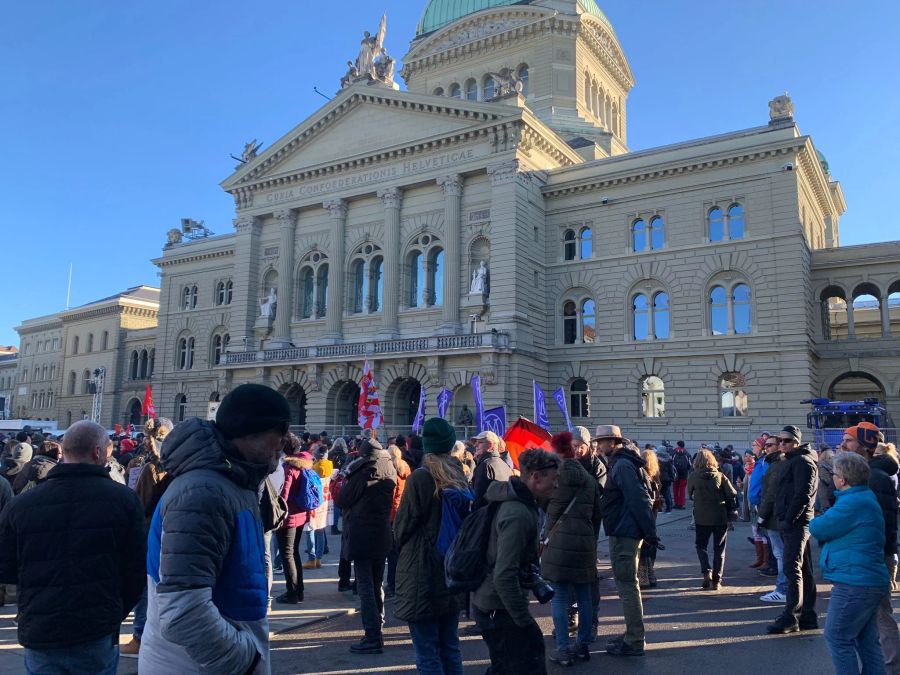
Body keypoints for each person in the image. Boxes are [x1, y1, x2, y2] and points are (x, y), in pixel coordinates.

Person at [139, 384, 290, 674]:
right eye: (280, 431)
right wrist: (248, 661)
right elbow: (184, 610)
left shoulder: (233, 482)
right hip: (195, 665)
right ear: (251, 431)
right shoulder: (204, 492)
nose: (284, 441)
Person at [0, 420, 146, 674]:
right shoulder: (123, 500)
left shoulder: (23, 504)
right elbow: (135, 570)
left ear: (63, 451)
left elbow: (6, 566)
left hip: (42, 625)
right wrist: (114, 614)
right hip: (95, 627)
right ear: (98, 452)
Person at [473, 448, 560, 675]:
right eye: (554, 479)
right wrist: (523, 619)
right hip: (499, 608)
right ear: (535, 477)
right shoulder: (518, 513)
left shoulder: (518, 502)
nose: (557, 485)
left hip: (493, 604)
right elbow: (504, 574)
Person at [394, 418, 471, 675]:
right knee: (450, 646)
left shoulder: (421, 478)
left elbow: (402, 526)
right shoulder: (459, 474)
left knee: (427, 651)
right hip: (452, 567)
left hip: (422, 570)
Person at [810, 452, 892, 675]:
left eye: (834, 474)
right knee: (866, 641)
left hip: (855, 582)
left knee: (837, 637)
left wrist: (815, 518)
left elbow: (818, 527)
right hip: (865, 579)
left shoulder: (852, 502)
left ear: (842, 479)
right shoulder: (861, 498)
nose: (833, 477)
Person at [841, 422, 900, 672]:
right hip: (869, 556)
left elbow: (881, 525)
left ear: (865, 447)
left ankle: (891, 666)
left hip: (873, 557)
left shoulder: (874, 477)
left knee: (881, 616)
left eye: (849, 440)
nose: (843, 444)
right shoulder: (868, 474)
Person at [597, 424, 657, 657]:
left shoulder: (621, 465)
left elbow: (638, 498)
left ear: (613, 442)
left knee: (627, 586)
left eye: (601, 442)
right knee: (628, 585)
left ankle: (634, 639)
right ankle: (633, 634)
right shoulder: (625, 462)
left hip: (625, 532)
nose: (599, 446)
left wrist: (649, 532)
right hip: (627, 529)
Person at [544, 432, 603, 665]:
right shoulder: (588, 478)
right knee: (584, 597)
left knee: (559, 598)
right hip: (585, 541)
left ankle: (563, 649)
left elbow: (551, 512)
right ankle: (583, 646)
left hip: (560, 543)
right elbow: (598, 512)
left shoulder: (557, 476)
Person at [335, 436, 397, 654]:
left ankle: (372, 635)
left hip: (362, 532)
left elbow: (343, 499)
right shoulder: (389, 466)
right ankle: (378, 628)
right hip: (381, 531)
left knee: (365, 587)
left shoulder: (364, 470)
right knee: (377, 582)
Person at [121, 416, 175, 658]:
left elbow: (139, 503)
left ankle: (140, 636)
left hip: (149, 529)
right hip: (169, 529)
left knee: (145, 586)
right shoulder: (177, 464)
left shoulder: (150, 467)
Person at [766, 425, 819, 635]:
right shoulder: (791, 460)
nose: (781, 444)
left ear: (796, 442)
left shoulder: (802, 462)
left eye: (786, 441)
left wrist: (788, 519)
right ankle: (807, 615)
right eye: (779, 441)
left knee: (792, 569)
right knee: (803, 569)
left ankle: (791, 616)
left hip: (796, 523)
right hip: (792, 521)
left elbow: (802, 495)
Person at [688, 449, 737, 590]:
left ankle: (706, 572)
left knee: (701, 546)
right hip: (719, 516)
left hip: (701, 516)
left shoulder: (693, 476)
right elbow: (732, 493)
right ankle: (717, 580)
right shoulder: (720, 476)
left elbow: (689, 495)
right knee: (719, 548)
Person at [277, 447, 318, 603]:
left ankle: (292, 593)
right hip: (301, 515)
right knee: (294, 553)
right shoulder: (306, 467)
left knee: (287, 555)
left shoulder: (289, 468)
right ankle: (299, 591)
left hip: (289, 517)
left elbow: (284, 495)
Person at [756, 436, 788, 603]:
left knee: (780, 554)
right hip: (776, 514)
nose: (766, 448)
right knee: (781, 553)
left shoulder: (777, 464)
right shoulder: (773, 463)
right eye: (765, 445)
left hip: (775, 516)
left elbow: (770, 493)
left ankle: (783, 589)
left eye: (769, 445)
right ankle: (784, 588)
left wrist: (761, 515)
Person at [385, 444, 411, 597]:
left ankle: (392, 584)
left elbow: (391, 494)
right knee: (400, 551)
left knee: (391, 553)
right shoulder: (406, 468)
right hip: (403, 512)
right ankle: (402, 581)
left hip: (391, 514)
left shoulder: (391, 470)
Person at [639, 447, 664, 589]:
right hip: (654, 510)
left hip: (644, 510)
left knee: (643, 542)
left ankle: (643, 576)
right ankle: (651, 574)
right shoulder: (655, 473)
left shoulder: (640, 473)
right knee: (651, 539)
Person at [472, 430, 512, 509]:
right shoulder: (504, 464)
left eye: (480, 442)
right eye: (475, 443)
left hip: (487, 515)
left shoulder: (485, 465)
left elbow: (479, 498)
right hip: (501, 512)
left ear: (490, 445)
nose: (475, 445)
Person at [671, 441, 691, 509]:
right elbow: (690, 465)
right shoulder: (687, 453)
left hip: (675, 474)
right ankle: (681, 503)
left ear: (678, 445)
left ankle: (676, 503)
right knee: (682, 489)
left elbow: (670, 463)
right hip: (684, 474)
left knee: (675, 489)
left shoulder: (673, 452)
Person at [817, 448, 836, 514]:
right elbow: (827, 480)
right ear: (825, 458)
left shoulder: (832, 467)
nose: (833, 459)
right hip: (825, 495)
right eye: (831, 457)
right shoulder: (822, 467)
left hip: (831, 494)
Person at [657, 447, 675, 513]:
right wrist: (672, 478)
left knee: (658, 494)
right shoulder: (668, 459)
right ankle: (669, 508)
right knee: (667, 494)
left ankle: (659, 508)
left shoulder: (656, 459)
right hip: (666, 479)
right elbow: (671, 470)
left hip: (658, 478)